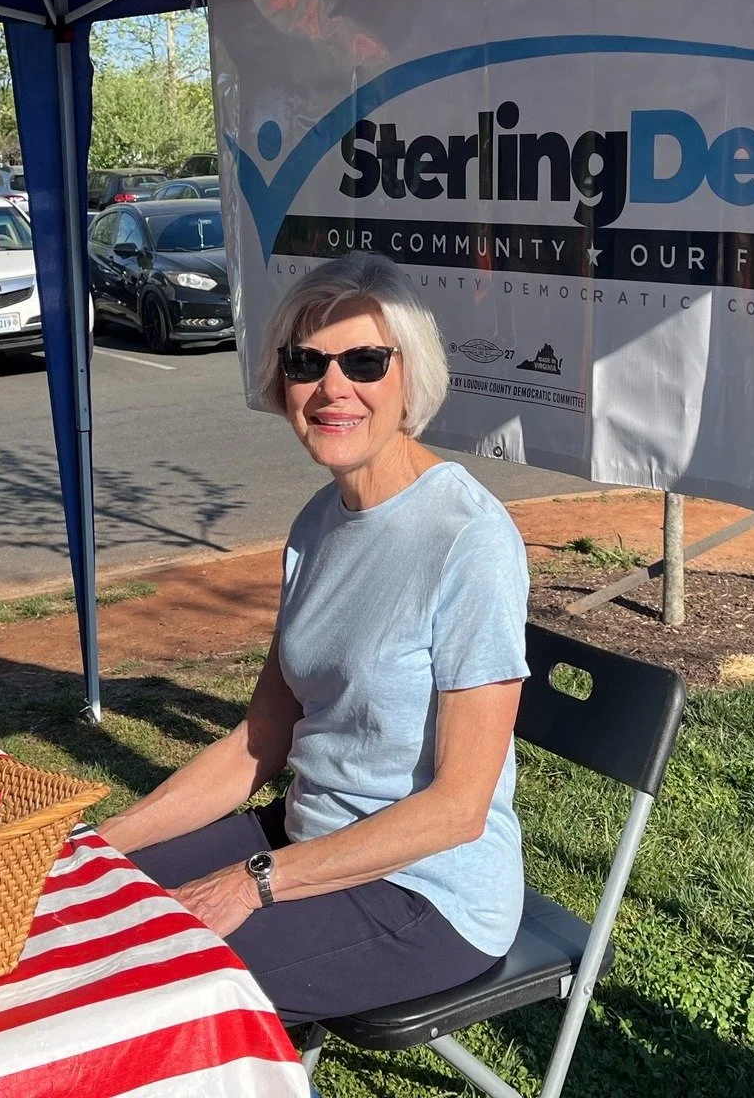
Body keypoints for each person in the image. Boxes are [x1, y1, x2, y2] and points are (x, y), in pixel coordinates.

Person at [101, 252, 531, 1025]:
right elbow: (259, 742)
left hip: (429, 893)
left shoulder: (469, 539)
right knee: (95, 899)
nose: (334, 388)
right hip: (308, 839)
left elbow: (459, 809)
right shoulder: (317, 524)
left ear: (410, 377)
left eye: (365, 360)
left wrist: (253, 880)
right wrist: (102, 842)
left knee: (151, 977)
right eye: (308, 362)